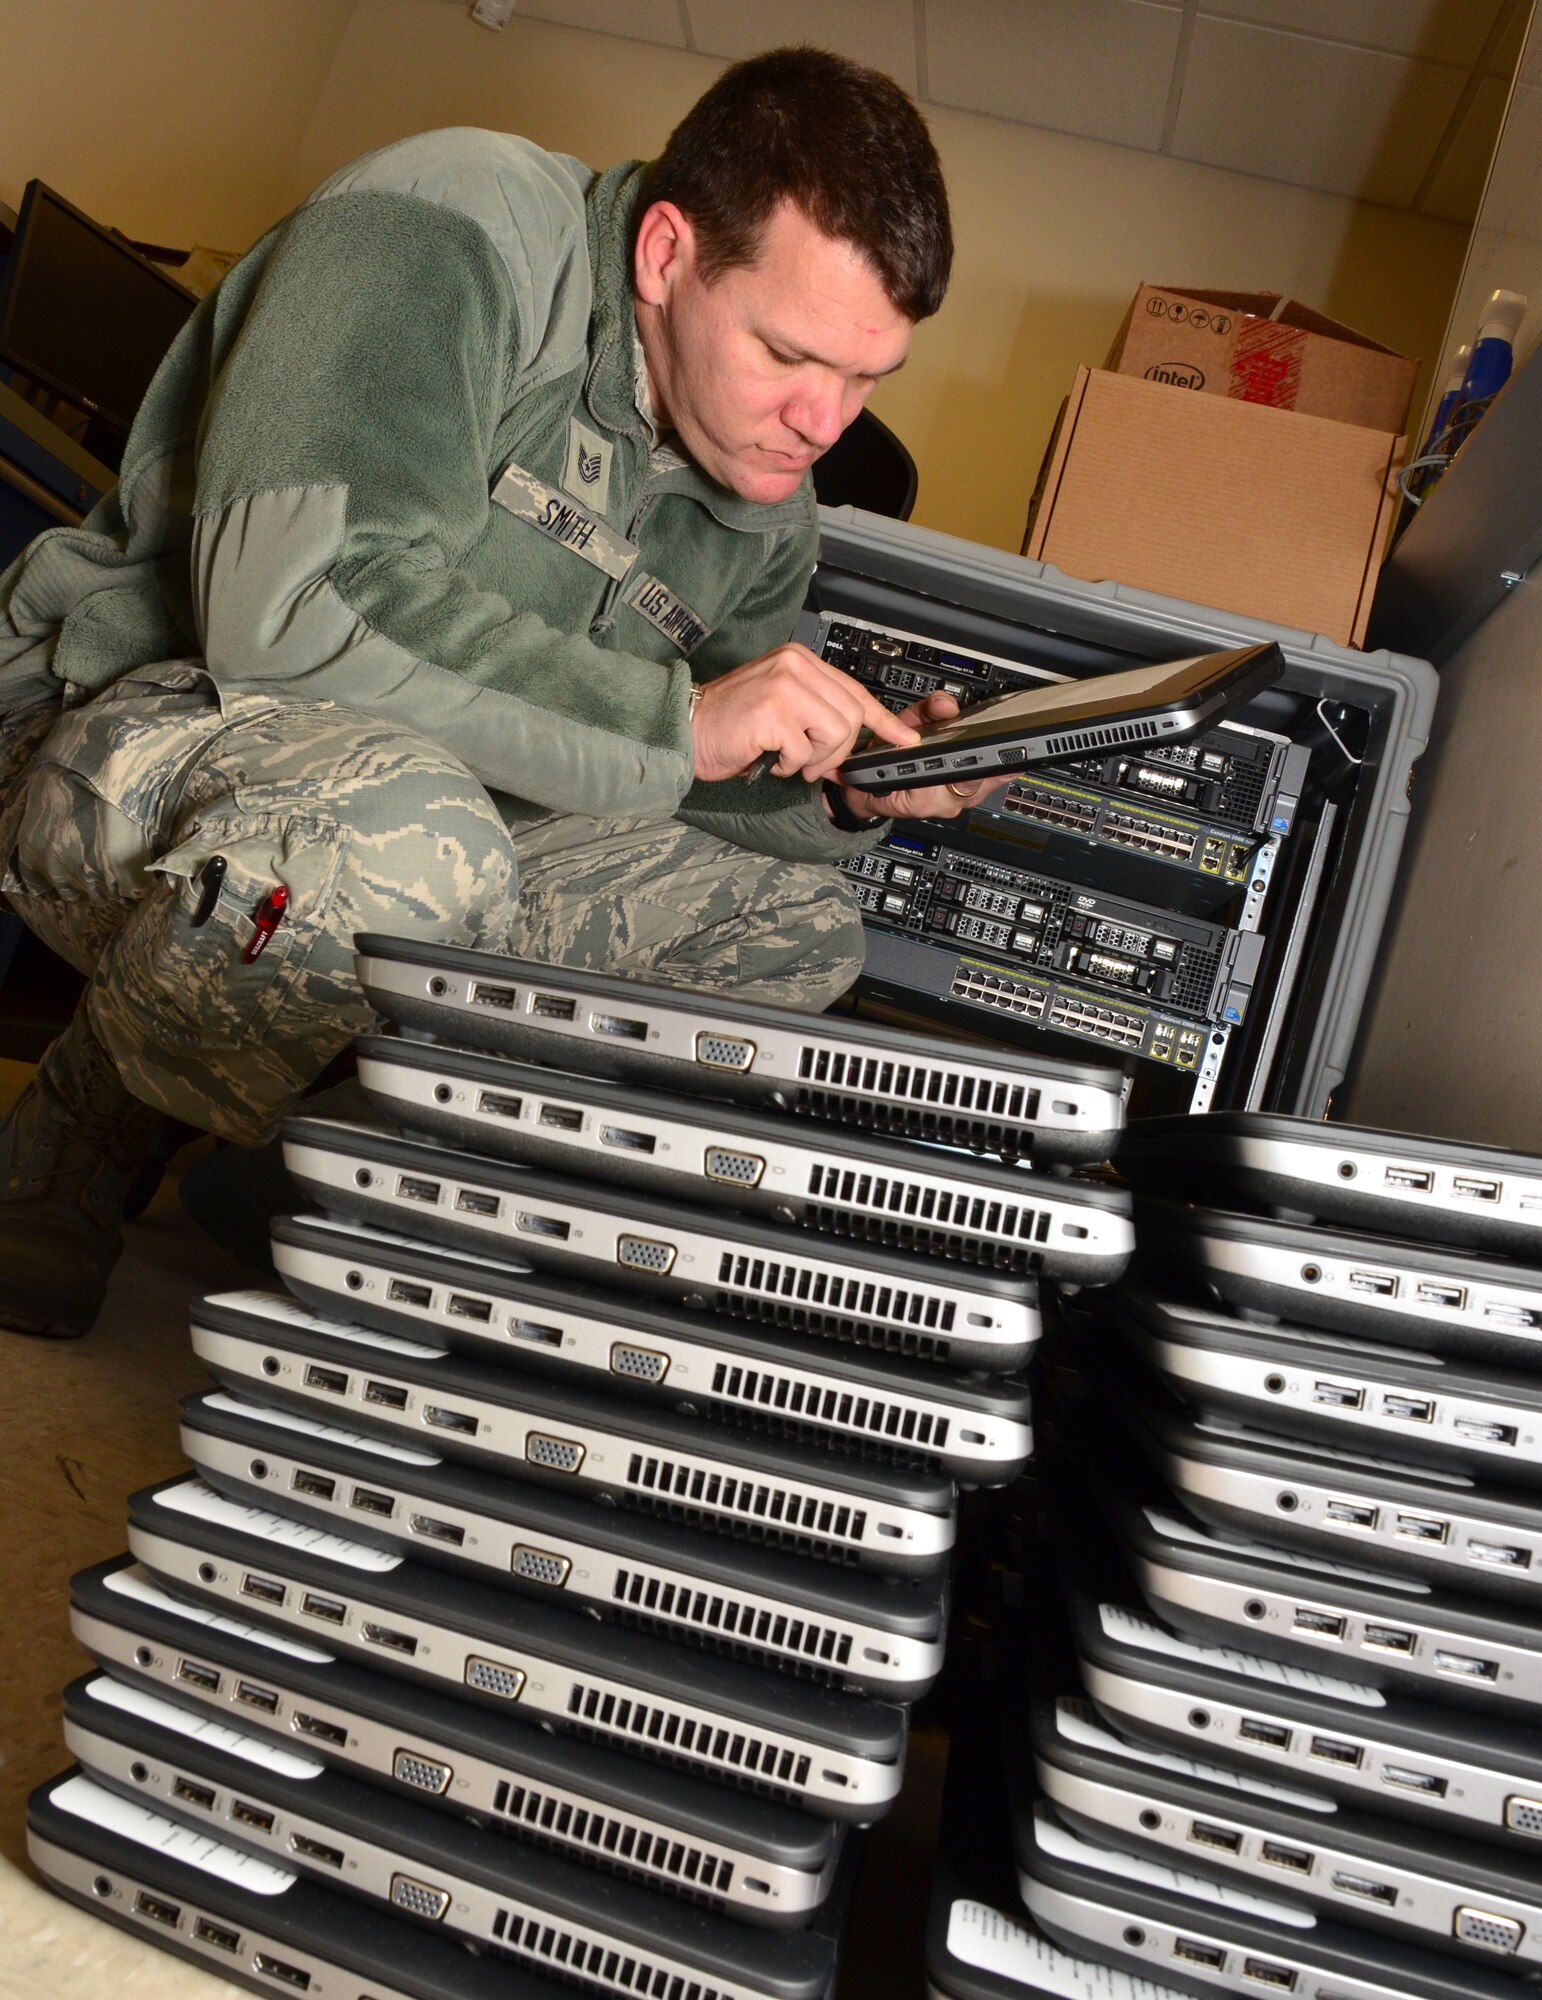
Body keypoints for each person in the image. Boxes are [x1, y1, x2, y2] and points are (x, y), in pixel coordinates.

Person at [0, 45, 982, 1339]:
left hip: (444, 819)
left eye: (866, 378)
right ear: (665, 255)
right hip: (136, 723)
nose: (824, 421)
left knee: (797, 929)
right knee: (414, 839)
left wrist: (852, 787)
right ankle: (91, 1118)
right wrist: (679, 719)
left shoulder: (767, 507)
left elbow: (680, 777)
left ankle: (341, 1172)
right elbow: (291, 606)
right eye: (788, 354)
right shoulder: (451, 222)